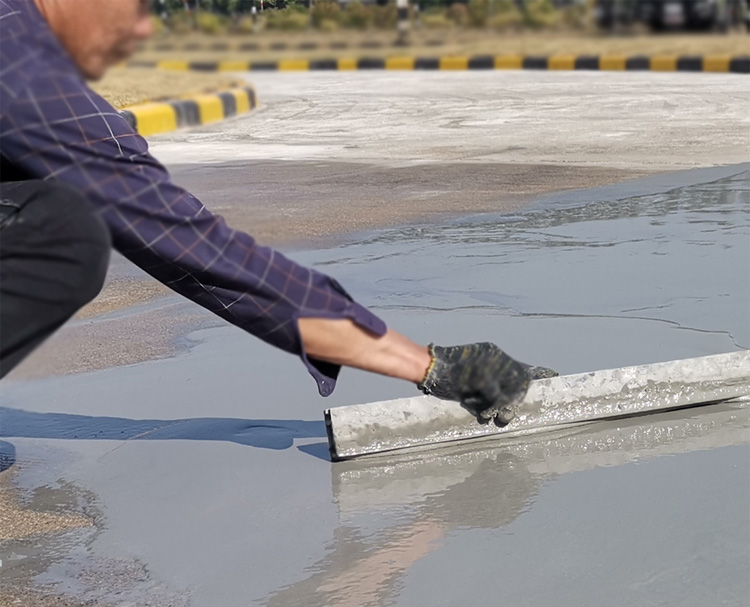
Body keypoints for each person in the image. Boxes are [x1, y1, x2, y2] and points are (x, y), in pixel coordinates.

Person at [0, 0, 555, 418]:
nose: (142, 26)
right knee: (62, 232)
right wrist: (432, 367)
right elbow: (183, 239)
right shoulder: (15, 55)